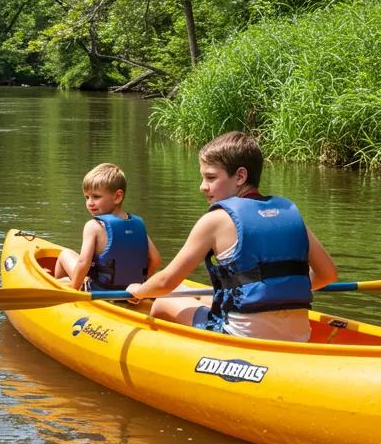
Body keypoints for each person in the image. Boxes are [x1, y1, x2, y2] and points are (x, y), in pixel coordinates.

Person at [126, 131, 338, 341]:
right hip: (299, 337)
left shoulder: (216, 220)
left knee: (163, 301)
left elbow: (166, 282)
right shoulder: (290, 214)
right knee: (191, 292)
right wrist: (279, 288)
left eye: (210, 177)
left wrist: (139, 291)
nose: (202, 187)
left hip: (242, 337)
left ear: (240, 176)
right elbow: (328, 275)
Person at [52, 163, 161, 290]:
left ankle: (63, 295)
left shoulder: (93, 226)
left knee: (64, 254)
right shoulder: (137, 225)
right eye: (87, 197)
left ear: (117, 197)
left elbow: (83, 262)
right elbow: (156, 259)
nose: (89, 203)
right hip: (131, 292)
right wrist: (142, 286)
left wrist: (74, 290)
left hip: (99, 291)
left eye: (96, 197)